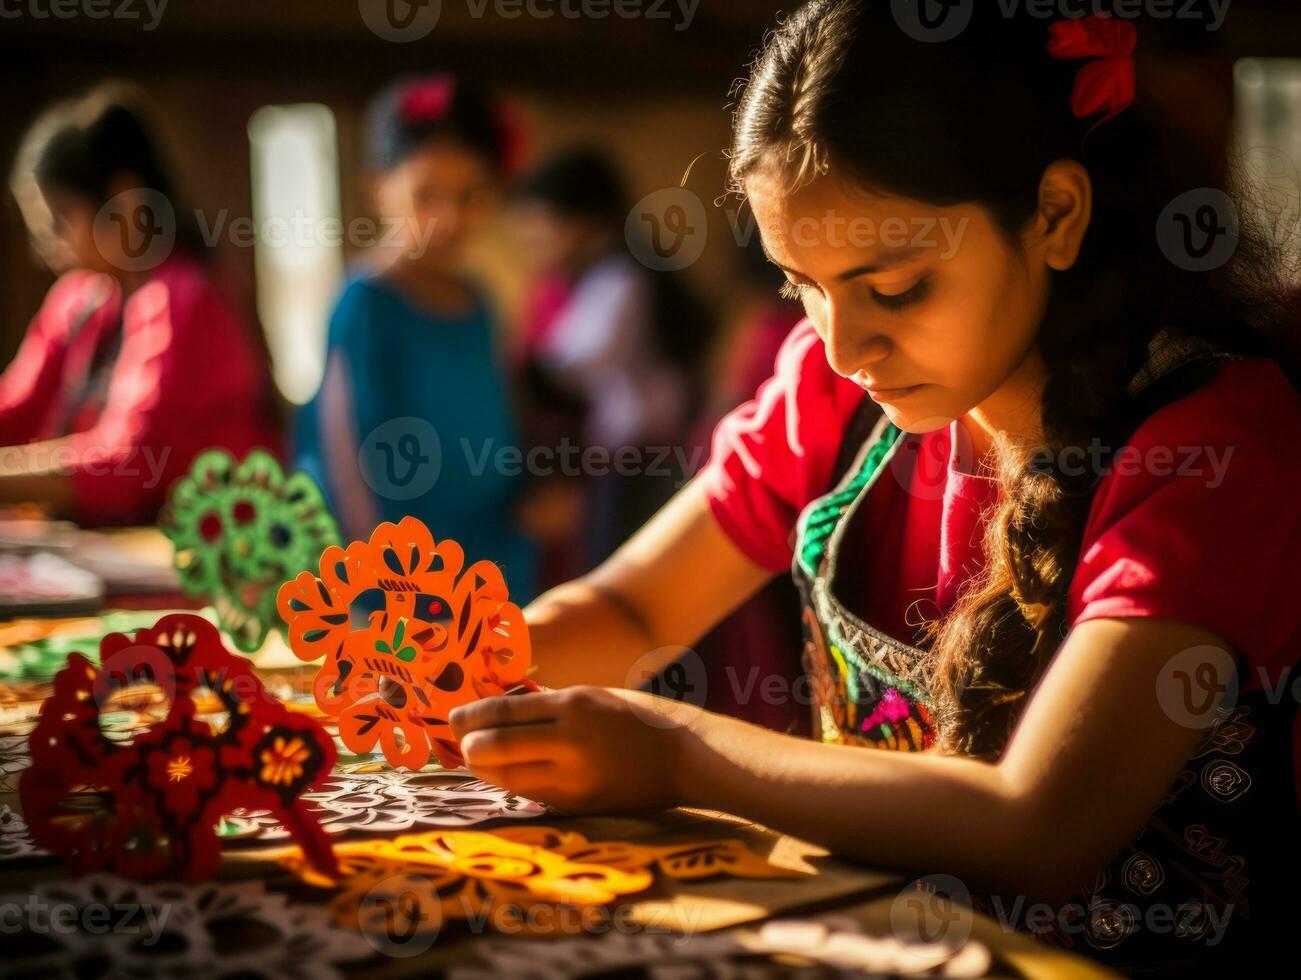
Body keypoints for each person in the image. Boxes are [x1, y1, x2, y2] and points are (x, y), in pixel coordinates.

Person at [447, 4, 1300, 973]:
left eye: (892, 287)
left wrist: (673, 750)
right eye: (799, 284)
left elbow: (1042, 822)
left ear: (1054, 216)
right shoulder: (831, 394)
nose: (845, 344)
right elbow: (635, 602)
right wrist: (460, 670)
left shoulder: (1208, 445)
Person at [294, 73, 537, 600]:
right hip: (402, 589)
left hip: (489, 566)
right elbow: (350, 469)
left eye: (471, 195)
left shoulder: (478, 304)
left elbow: (501, 425)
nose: (449, 217)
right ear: (379, 188)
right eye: (427, 195)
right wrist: (390, 604)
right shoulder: (366, 305)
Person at [2, 84, 280, 526]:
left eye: (59, 222)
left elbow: (128, 465)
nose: (47, 249)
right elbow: (16, 409)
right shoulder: (80, 300)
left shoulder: (186, 299)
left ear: (124, 203)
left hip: (215, 554)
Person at [511, 148, 712, 572]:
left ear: (589, 222)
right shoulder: (605, 279)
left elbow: (563, 368)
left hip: (637, 464)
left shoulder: (620, 283)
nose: (536, 240)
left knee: (622, 573)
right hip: (633, 460)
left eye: (545, 223)